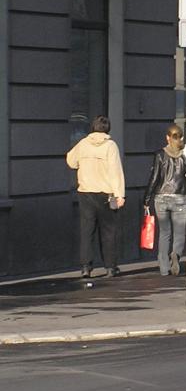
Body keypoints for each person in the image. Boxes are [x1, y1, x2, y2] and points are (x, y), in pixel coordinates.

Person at [66, 115, 126, 278]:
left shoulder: (83, 144)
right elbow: (115, 171)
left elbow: (71, 161)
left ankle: (86, 267)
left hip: (85, 192)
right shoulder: (110, 146)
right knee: (108, 231)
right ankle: (110, 267)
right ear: (107, 129)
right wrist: (120, 194)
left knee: (87, 231)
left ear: (93, 127)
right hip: (106, 194)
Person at [143, 124, 186, 276]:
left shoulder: (160, 154)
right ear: (180, 137)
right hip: (180, 197)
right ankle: (176, 254)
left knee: (164, 233)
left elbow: (154, 177)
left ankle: (163, 268)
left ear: (167, 138)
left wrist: (146, 198)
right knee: (180, 232)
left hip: (161, 197)